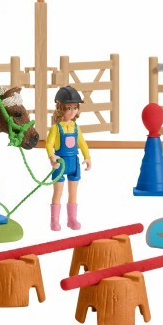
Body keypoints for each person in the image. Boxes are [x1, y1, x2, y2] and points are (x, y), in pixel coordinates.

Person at [46, 85, 91, 231]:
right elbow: (49, 144)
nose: (73, 111)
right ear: (61, 109)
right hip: (60, 163)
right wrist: (51, 156)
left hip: (74, 163)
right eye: (69, 108)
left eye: (75, 108)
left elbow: (82, 143)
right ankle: (54, 221)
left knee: (73, 192)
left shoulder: (76, 127)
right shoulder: (56, 128)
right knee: (58, 192)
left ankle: (72, 219)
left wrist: (87, 157)